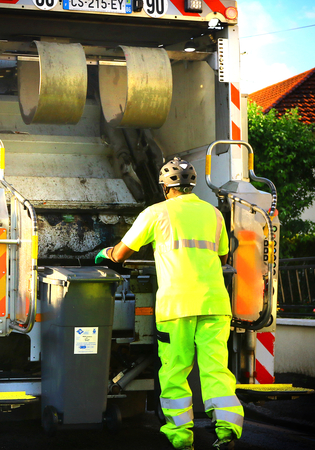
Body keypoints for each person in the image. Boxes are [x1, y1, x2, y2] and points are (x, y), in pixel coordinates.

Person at [95, 158, 243, 450]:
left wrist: (105, 254)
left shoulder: (155, 213)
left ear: (165, 187)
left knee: (175, 371)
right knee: (216, 370)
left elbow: (121, 254)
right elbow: (222, 259)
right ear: (192, 185)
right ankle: (227, 432)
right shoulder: (214, 215)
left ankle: (181, 438)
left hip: (176, 306)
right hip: (215, 304)